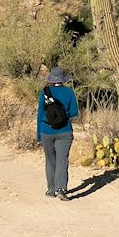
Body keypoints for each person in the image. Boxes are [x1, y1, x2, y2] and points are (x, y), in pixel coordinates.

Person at [37, 66, 79, 198]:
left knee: (50, 160)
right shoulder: (69, 92)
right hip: (64, 130)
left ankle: (51, 190)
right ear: (63, 80)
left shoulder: (44, 92)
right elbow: (74, 112)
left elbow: (40, 114)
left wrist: (38, 134)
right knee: (62, 160)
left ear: (50, 79)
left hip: (46, 130)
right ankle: (61, 189)